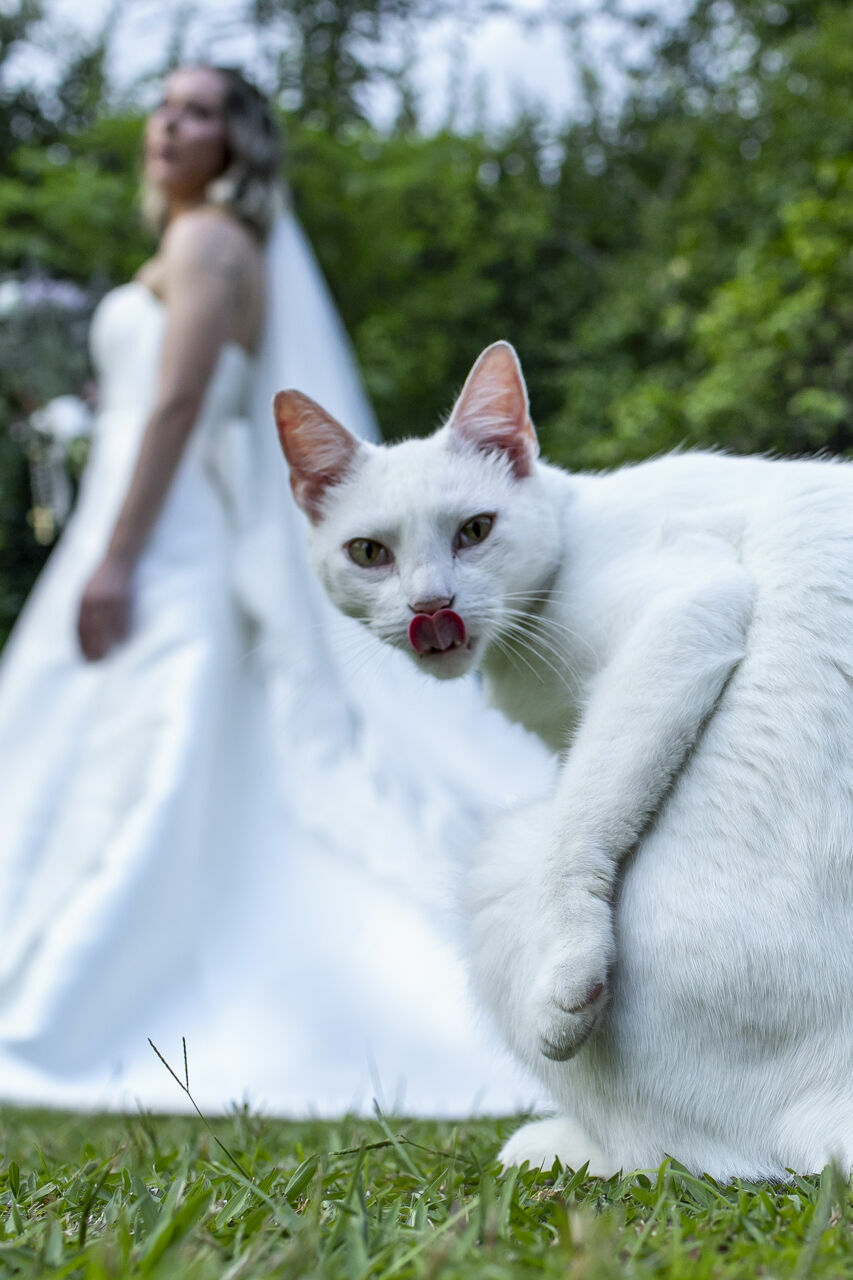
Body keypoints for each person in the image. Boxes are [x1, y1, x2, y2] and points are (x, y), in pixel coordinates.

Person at [0, 66, 551, 1114]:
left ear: (239, 140)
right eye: (164, 108)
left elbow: (175, 409)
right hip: (147, 502)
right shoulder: (198, 243)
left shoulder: (208, 241)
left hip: (166, 524)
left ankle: (101, 972)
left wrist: (114, 555)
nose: (170, 124)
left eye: (198, 111)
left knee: (160, 715)